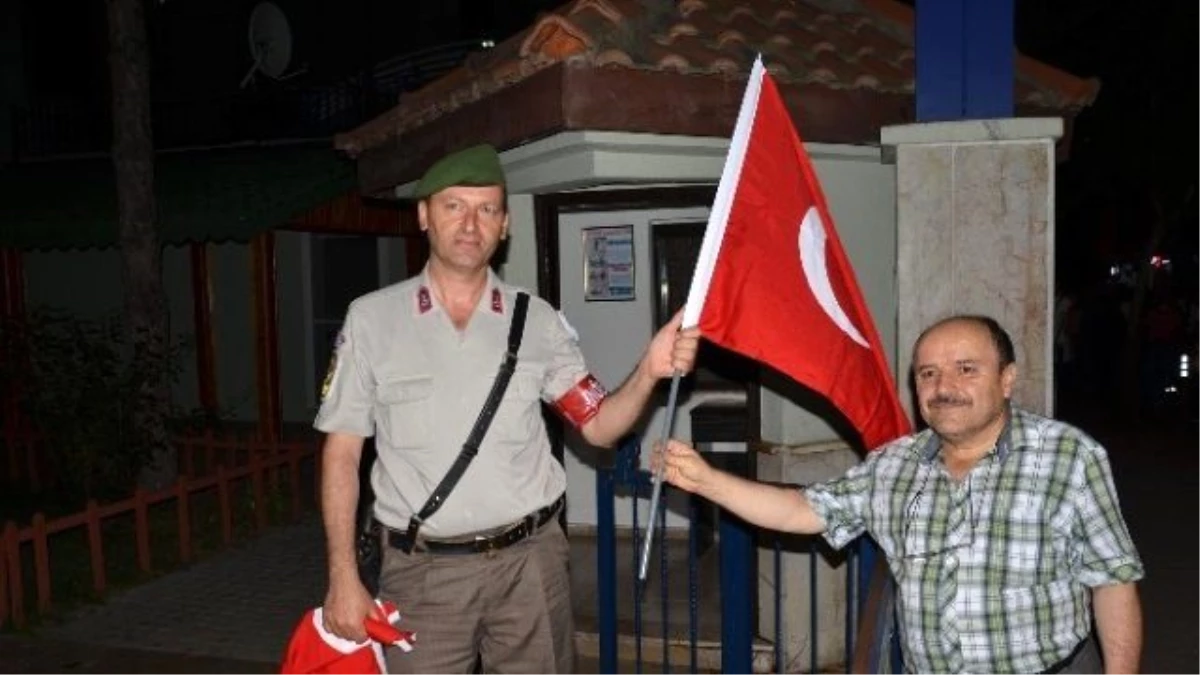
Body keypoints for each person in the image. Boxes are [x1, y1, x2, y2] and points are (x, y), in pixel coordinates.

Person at [314, 143, 700, 674]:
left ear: (505, 225)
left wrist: (648, 372)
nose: (471, 223)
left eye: (487, 209)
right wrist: (342, 577)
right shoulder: (372, 321)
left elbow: (599, 425)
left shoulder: (537, 321)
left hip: (530, 567)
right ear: (424, 215)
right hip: (424, 574)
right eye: (454, 206)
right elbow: (341, 455)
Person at [656, 315, 1143, 674]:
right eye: (927, 373)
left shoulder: (1070, 456)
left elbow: (1113, 579)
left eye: (966, 369)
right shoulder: (893, 465)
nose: (943, 387)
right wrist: (707, 481)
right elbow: (802, 510)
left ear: (1007, 378)